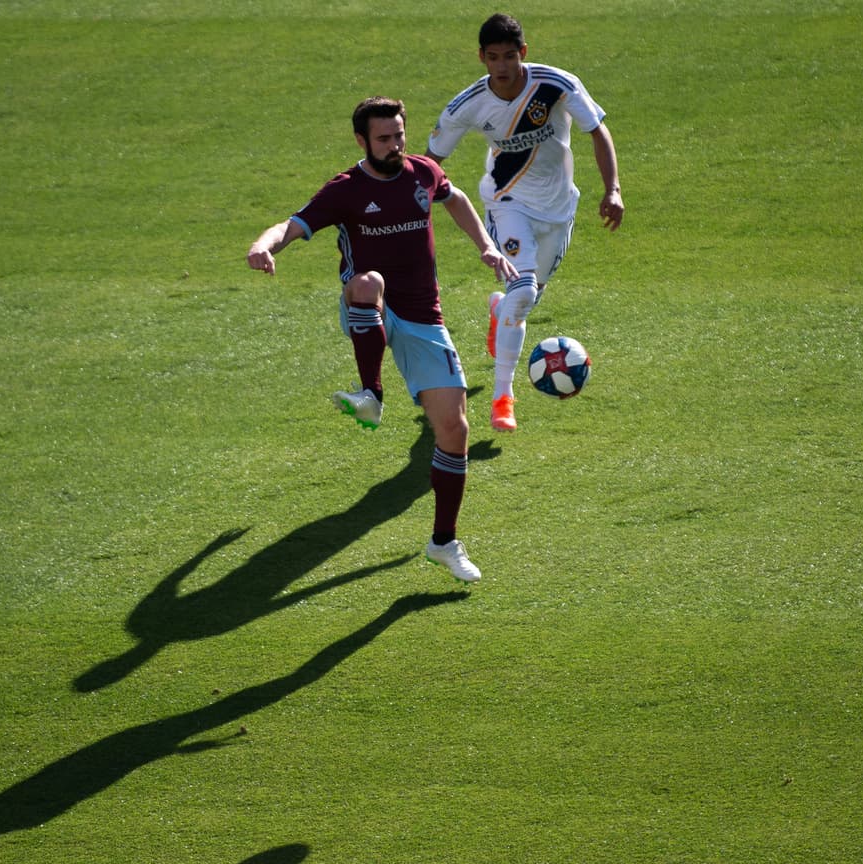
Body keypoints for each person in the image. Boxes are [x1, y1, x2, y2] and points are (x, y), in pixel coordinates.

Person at [246, 96, 518, 583]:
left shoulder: (422, 173)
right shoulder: (346, 189)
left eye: (399, 135)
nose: (395, 145)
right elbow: (294, 224)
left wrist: (487, 247)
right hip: (368, 305)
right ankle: (371, 393)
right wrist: (264, 245)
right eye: (383, 138)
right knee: (368, 281)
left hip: (422, 316)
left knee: (454, 430)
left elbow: (453, 199)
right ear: (362, 141)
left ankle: (443, 543)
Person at [426, 12, 624, 432]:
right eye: (493, 57)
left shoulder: (555, 84)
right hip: (506, 202)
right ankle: (503, 399)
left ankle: (500, 312)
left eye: (510, 56)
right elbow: (430, 163)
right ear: (481, 56)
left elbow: (597, 131)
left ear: (524, 53)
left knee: (524, 299)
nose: (502, 66)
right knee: (523, 290)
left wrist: (613, 190)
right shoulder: (468, 104)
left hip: (559, 209)